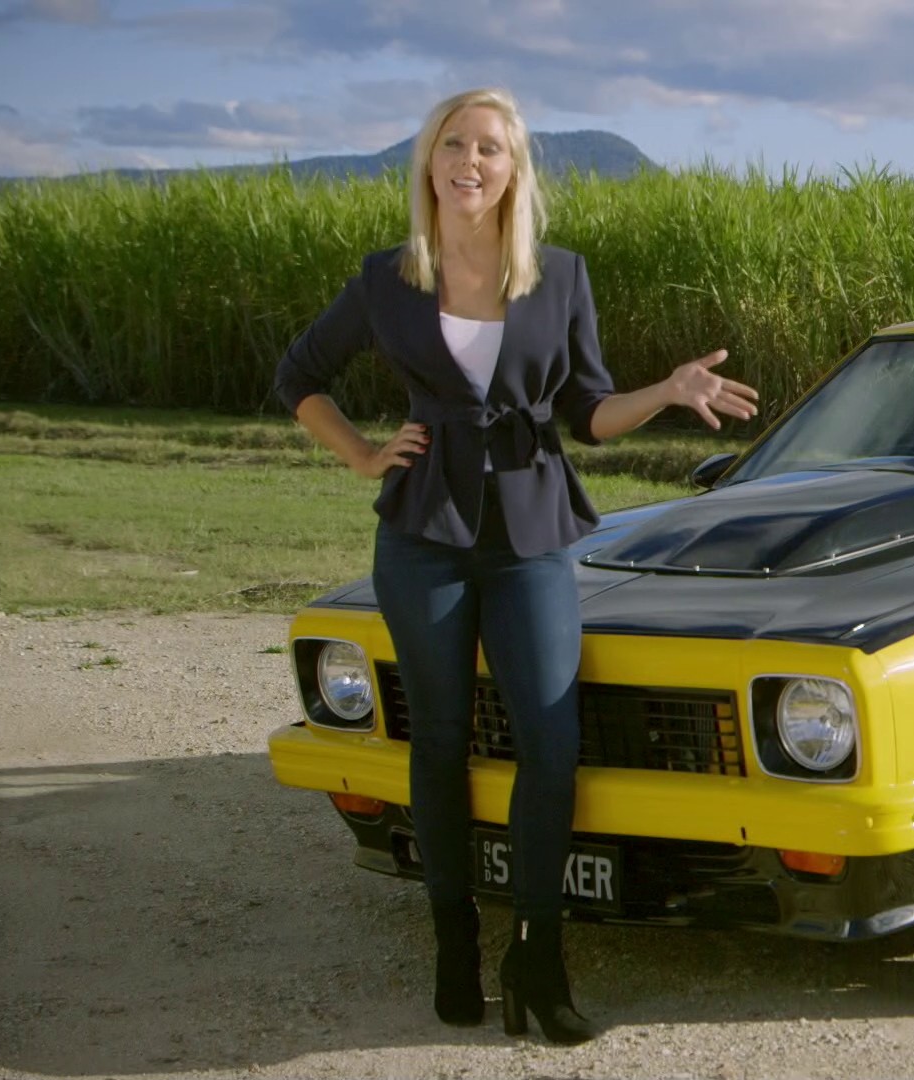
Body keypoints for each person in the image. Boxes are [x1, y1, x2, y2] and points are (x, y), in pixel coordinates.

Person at [272, 87, 758, 1044]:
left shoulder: (560, 275)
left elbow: (589, 413)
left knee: (550, 741)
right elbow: (299, 376)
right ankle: (453, 941)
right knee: (440, 738)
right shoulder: (387, 278)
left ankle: (537, 954)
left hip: (532, 533)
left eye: (489, 148)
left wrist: (666, 390)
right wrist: (364, 455)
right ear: (429, 162)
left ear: (513, 168)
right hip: (423, 534)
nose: (470, 161)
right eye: (453, 144)